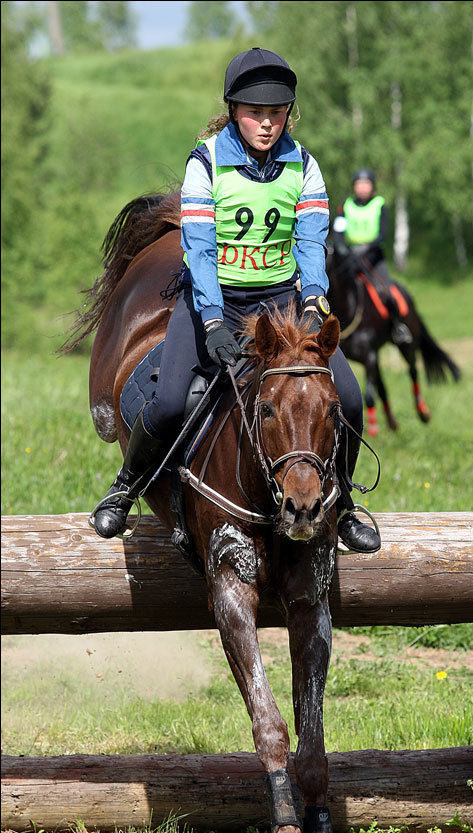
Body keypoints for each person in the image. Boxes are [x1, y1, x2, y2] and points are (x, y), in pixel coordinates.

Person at [91, 47, 380, 554]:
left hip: (281, 302)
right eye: (255, 113)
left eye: (276, 113)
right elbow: (199, 250)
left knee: (350, 399)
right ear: (233, 111)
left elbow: (311, 243)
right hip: (213, 301)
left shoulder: (304, 166)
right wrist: (210, 323)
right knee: (166, 406)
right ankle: (125, 486)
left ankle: (346, 506)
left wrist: (313, 301)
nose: (267, 124)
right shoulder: (206, 162)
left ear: (288, 112)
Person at [331, 168, 405, 323]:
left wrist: (366, 247)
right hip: (350, 258)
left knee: (387, 291)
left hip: (373, 257)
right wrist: (342, 248)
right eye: (359, 184)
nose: (363, 187)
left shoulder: (380, 205)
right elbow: (338, 231)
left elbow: (382, 234)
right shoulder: (345, 206)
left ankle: (398, 326)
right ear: (354, 186)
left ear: (372, 186)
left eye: (366, 184)